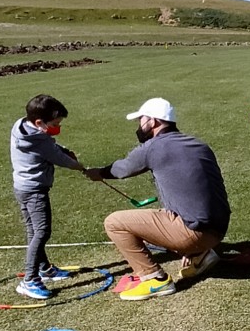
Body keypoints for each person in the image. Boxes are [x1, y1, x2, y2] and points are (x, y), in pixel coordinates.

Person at [84, 98, 230, 300]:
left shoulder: (153, 146)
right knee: (164, 214)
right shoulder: (198, 144)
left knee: (114, 222)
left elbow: (122, 169)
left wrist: (98, 173)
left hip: (194, 233)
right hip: (219, 230)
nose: (139, 125)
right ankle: (200, 254)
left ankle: (155, 280)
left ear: (152, 122)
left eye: (141, 120)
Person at [9, 94, 85, 299]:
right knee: (42, 231)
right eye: (55, 123)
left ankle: (45, 269)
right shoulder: (38, 140)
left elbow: (50, 146)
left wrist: (63, 149)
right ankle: (30, 280)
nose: (57, 127)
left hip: (22, 187)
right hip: (34, 191)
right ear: (39, 122)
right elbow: (57, 157)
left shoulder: (23, 127)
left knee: (33, 230)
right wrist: (81, 167)